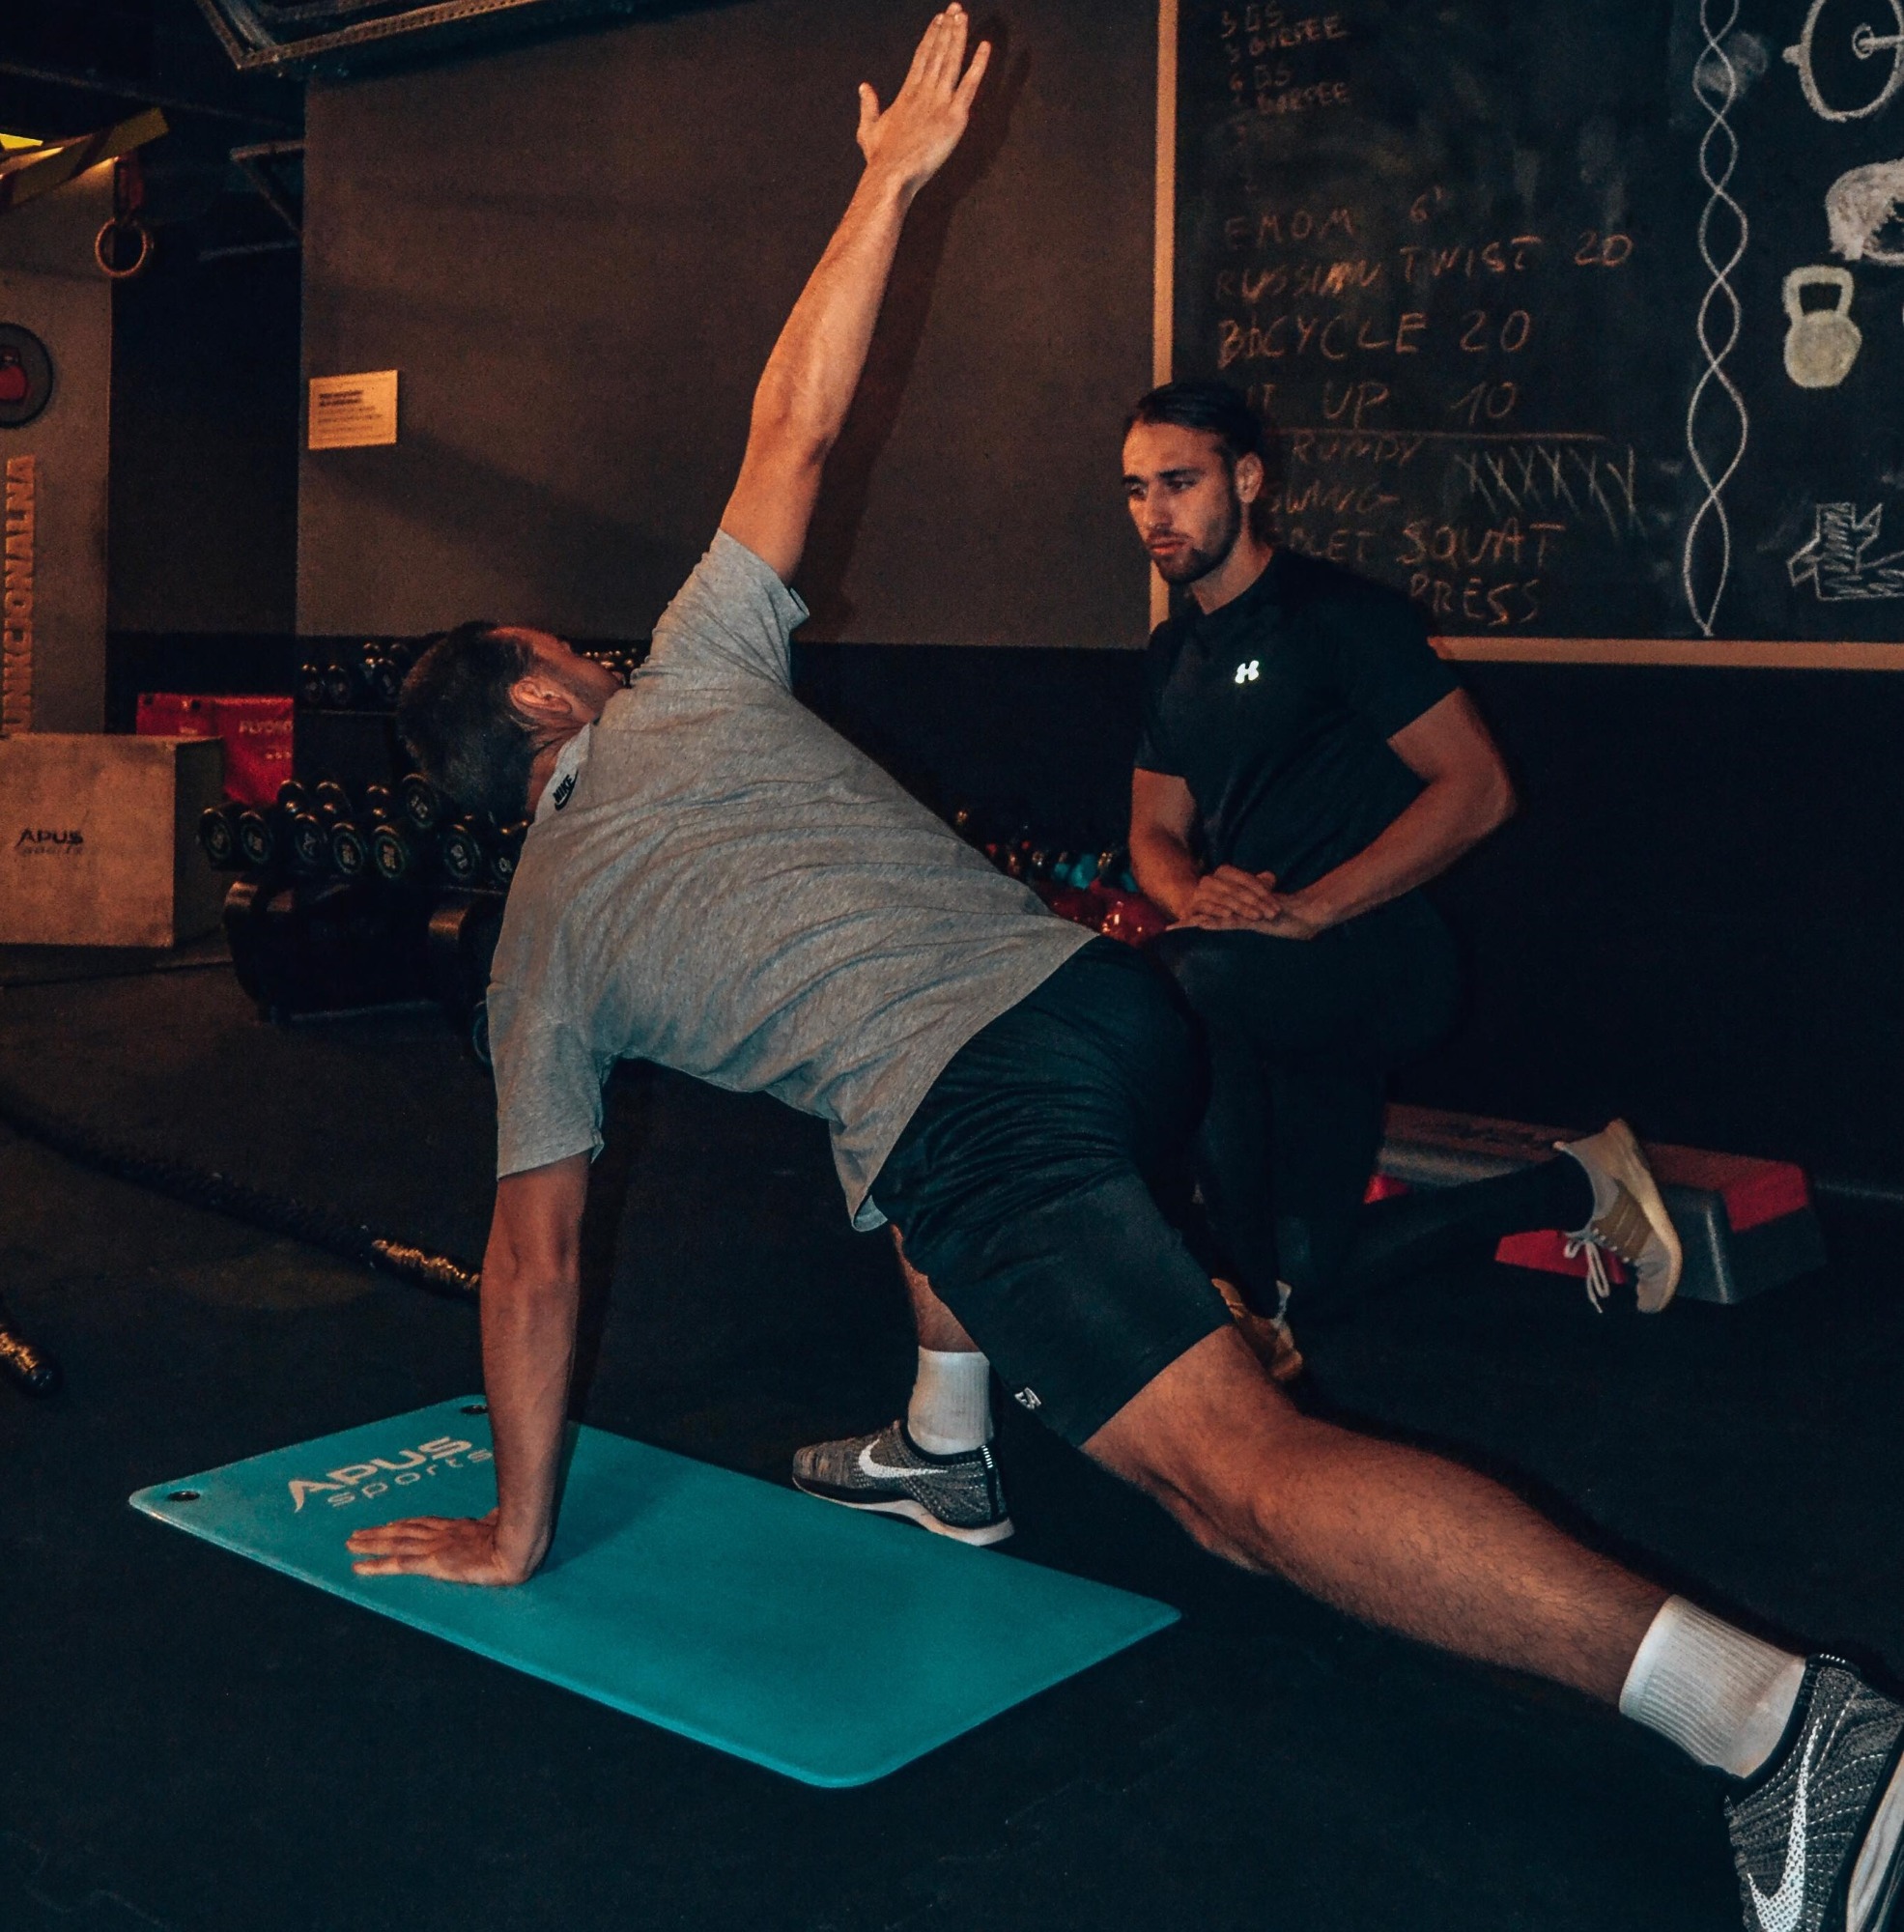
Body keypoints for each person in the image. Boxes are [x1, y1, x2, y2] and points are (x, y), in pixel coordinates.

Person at [350, 18, 1904, 1926]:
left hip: (997, 1096)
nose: (588, 644)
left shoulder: (537, 955)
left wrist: (517, 1530)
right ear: (536, 696)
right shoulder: (690, 672)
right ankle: (944, 1455)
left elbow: (535, 1256)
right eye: (556, 644)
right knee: (896, 1130)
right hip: (1107, 1013)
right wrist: (884, 182)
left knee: (1233, 1486)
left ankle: (1772, 1725)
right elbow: (795, 432)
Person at [810, 375, 1683, 1502]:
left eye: (1178, 483)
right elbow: (1153, 830)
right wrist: (1194, 890)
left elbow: (1476, 789)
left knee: (1174, 990)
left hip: (1377, 961)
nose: (1154, 513)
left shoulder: (1341, 621)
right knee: (1306, 1277)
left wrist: (1314, 905)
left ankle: (1211, 1281)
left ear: (1248, 479)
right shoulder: (1177, 654)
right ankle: (1578, 1185)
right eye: (1135, 491)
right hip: (1252, 968)